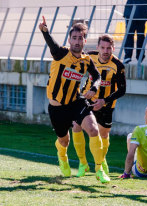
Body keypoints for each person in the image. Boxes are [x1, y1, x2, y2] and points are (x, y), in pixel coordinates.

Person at [39, 16, 109, 183]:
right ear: (70, 39)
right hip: (57, 108)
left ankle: (99, 169)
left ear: (85, 40)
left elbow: (97, 76)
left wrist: (93, 88)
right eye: (74, 38)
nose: (77, 41)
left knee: (93, 129)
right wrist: (45, 31)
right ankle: (62, 156)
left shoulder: (86, 60)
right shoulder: (61, 53)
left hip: (76, 102)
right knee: (64, 141)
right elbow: (52, 44)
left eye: (80, 38)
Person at [72, 34, 126, 182]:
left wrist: (105, 101)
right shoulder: (89, 57)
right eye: (102, 47)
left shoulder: (118, 65)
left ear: (113, 49)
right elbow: (75, 73)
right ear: (97, 48)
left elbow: (122, 90)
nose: (105, 51)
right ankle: (83, 163)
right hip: (87, 100)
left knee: (103, 135)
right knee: (76, 125)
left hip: (106, 105)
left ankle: (101, 161)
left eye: (109, 48)